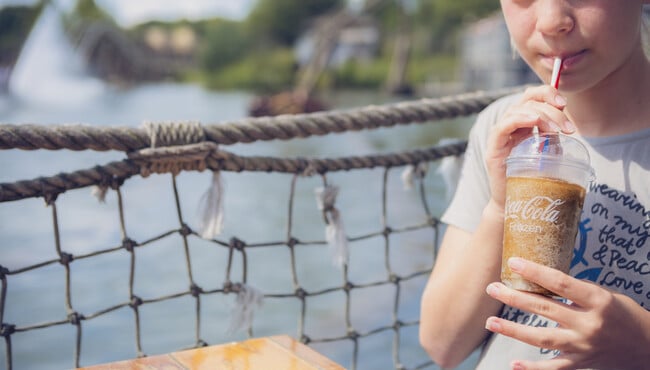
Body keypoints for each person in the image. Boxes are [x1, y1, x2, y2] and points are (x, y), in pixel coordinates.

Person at [419, 1, 650, 369]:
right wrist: (500, 207)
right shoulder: (504, 126)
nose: (551, 21)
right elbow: (442, 344)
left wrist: (643, 343)